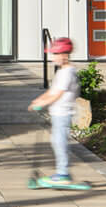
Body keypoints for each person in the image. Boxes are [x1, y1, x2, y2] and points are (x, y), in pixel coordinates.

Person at [27, 36, 90, 191]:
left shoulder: (67, 73)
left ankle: (63, 174)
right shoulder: (62, 72)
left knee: (60, 143)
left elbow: (58, 95)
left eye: (56, 54)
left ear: (65, 55)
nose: (53, 58)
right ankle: (62, 173)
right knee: (57, 142)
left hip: (63, 114)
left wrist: (43, 103)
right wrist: (38, 100)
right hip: (57, 114)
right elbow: (51, 91)